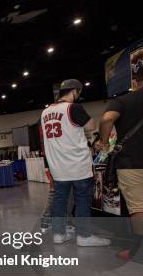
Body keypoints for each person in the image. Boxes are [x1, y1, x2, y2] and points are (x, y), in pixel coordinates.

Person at [98, 63, 143, 264]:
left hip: (134, 164)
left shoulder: (124, 100)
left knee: (140, 209)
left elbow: (107, 118)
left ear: (136, 80)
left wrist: (103, 143)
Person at [40, 79, 110, 247]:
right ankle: (84, 236)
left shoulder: (45, 112)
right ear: (74, 92)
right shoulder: (73, 108)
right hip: (78, 165)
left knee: (59, 201)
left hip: (58, 167)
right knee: (82, 200)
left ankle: (59, 234)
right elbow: (90, 126)